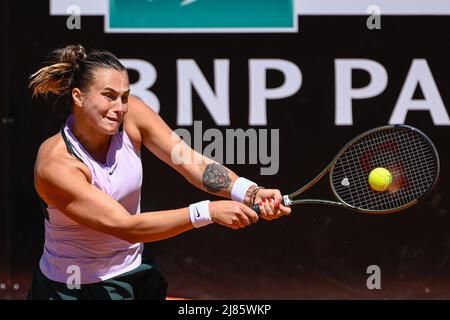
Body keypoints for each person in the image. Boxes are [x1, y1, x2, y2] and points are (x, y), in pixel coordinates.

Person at [27, 45, 291, 300]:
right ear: (78, 96)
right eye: (108, 96)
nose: (119, 107)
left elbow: (190, 162)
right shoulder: (57, 165)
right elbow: (125, 227)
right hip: (74, 290)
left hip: (134, 274)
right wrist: (208, 212)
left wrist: (250, 192)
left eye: (125, 97)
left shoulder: (132, 116)